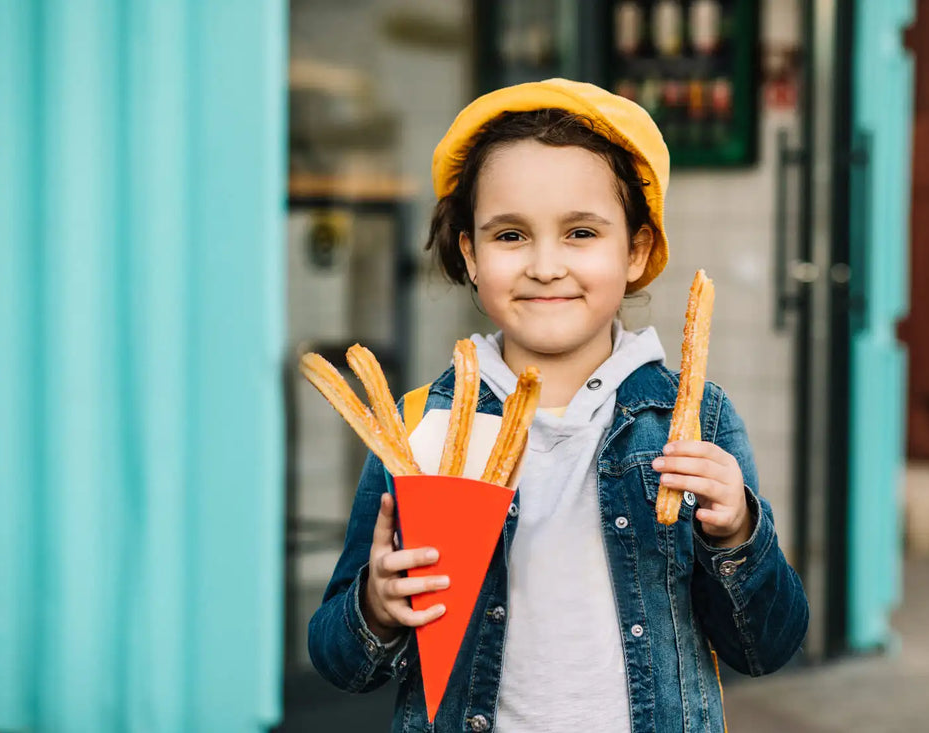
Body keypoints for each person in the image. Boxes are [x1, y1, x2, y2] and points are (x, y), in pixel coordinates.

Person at [308, 78, 809, 732]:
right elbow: (341, 660)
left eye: (580, 232)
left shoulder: (694, 421)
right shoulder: (420, 431)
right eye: (511, 235)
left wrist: (738, 531)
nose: (546, 265)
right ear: (470, 253)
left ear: (634, 249)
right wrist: (375, 605)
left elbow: (766, 645)